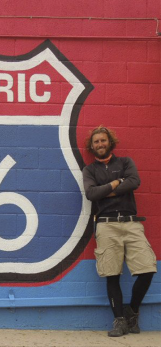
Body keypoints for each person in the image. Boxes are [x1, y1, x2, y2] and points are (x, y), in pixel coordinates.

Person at [82, 125, 155, 337]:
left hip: (131, 223)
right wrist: (116, 183)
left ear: (110, 142)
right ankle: (120, 321)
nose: (100, 144)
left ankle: (132, 311)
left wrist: (105, 191)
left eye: (103, 140)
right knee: (111, 274)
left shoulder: (125, 162)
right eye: (96, 142)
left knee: (147, 269)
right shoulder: (89, 170)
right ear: (92, 146)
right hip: (106, 225)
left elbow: (134, 181)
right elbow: (91, 194)